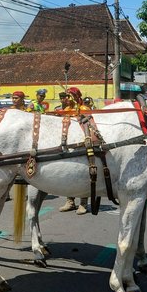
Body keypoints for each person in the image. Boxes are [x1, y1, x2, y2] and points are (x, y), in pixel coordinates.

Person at [59, 86, 89, 215]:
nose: (65, 99)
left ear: (75, 97)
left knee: (84, 174)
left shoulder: (84, 109)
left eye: (68, 96)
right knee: (69, 174)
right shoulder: (66, 110)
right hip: (68, 143)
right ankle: (70, 201)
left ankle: (83, 203)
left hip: (82, 143)